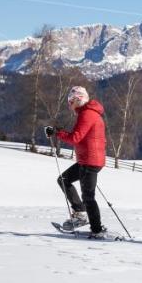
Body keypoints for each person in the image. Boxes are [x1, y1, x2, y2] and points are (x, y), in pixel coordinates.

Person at [48, 85, 108, 237]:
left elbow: (75, 137)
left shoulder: (87, 114)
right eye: (69, 101)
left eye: (71, 101)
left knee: (88, 196)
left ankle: (97, 230)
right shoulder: (89, 113)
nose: (70, 104)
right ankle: (81, 213)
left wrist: (58, 133)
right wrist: (59, 132)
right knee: (63, 179)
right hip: (88, 160)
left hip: (90, 161)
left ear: (79, 99)